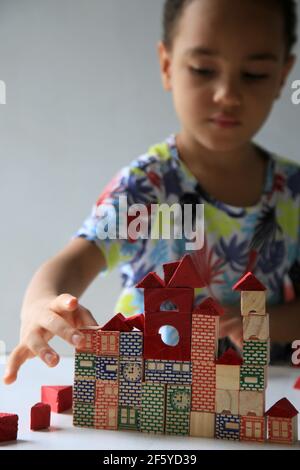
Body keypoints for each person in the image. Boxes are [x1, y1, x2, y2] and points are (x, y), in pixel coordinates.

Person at [4, 0, 300, 385]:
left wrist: (260, 320)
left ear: (282, 76)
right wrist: (42, 303)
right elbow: (76, 261)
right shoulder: (148, 187)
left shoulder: (292, 192)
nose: (228, 94)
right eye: (203, 69)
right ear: (166, 65)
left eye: (255, 73)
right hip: (147, 388)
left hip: (258, 394)